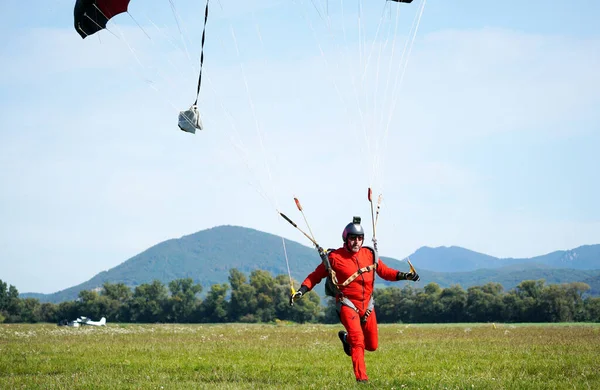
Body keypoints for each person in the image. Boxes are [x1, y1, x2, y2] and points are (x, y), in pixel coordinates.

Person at [290, 217, 420, 383]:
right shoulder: (334, 258)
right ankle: (362, 379)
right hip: (347, 304)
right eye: (353, 238)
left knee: (372, 345)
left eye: (359, 238)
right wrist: (301, 291)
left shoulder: (369, 254)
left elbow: (385, 272)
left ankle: (346, 339)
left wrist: (405, 276)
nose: (356, 242)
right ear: (346, 239)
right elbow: (315, 276)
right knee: (358, 341)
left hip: (368, 305)